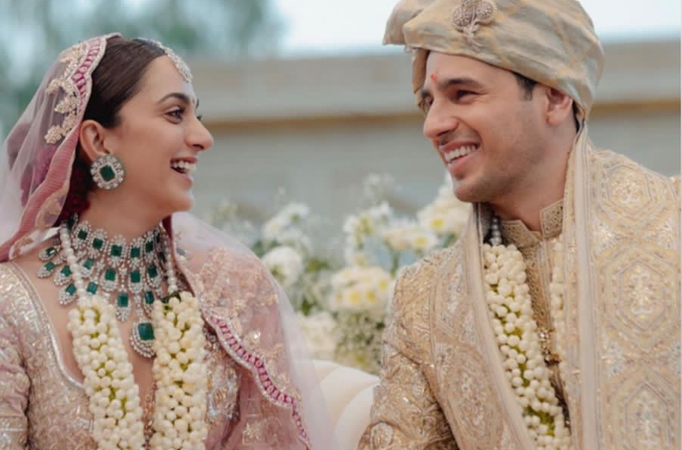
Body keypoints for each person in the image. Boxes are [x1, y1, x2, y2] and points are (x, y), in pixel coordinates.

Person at [359, 1, 680, 449]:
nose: (434, 125)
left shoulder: (674, 226)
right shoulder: (425, 302)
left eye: (463, 94)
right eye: (427, 103)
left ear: (555, 95)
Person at [0, 34, 337, 450]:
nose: (202, 137)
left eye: (197, 115)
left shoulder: (233, 290)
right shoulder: (10, 301)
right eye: (175, 113)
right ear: (98, 140)